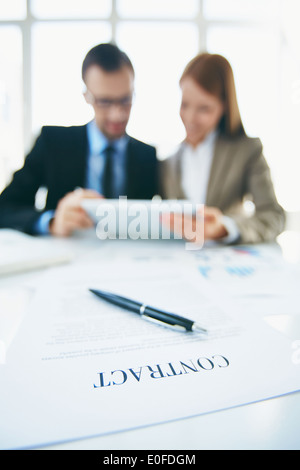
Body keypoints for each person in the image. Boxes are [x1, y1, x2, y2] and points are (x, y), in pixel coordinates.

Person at [0, 43, 158, 236]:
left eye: (125, 100)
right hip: (64, 257)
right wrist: (51, 222)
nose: (117, 115)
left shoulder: (148, 157)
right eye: (105, 102)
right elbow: (5, 207)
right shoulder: (53, 143)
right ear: (87, 96)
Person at [160, 52, 285, 244]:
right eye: (185, 105)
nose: (190, 118)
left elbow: (273, 216)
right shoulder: (168, 162)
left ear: (224, 106)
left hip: (228, 263)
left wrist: (224, 227)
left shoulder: (247, 151)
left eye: (204, 109)